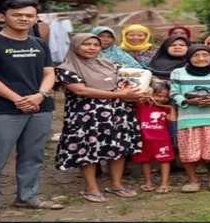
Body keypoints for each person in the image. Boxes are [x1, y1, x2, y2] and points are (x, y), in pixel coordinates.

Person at [0, 0, 64, 221]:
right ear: (3, 17)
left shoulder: (39, 43)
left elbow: (50, 73)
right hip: (2, 108)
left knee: (33, 155)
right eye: (17, 14)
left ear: (35, 19)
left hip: (40, 107)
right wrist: (17, 99)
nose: (23, 19)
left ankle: (27, 197)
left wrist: (40, 95)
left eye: (29, 15)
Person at [55, 33, 145, 203]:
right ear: (75, 46)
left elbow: (127, 81)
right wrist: (118, 94)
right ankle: (91, 187)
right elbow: (81, 91)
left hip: (118, 112)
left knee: (118, 147)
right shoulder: (66, 68)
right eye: (86, 44)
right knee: (88, 149)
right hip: (86, 115)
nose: (92, 48)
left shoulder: (110, 63)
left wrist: (141, 90)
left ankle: (116, 184)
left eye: (95, 45)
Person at [170, 45, 210, 193]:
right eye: (196, 56)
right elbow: (173, 92)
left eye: (205, 55)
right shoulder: (178, 72)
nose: (201, 59)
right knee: (188, 150)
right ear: (189, 57)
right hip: (189, 118)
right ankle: (193, 180)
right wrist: (187, 102)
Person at [133, 82, 175, 194]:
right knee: (145, 161)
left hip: (162, 139)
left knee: (164, 160)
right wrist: (146, 95)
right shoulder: (141, 105)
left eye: (165, 96)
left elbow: (173, 119)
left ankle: (165, 183)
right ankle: (148, 183)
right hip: (144, 139)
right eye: (158, 95)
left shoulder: (165, 109)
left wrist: (169, 106)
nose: (162, 99)